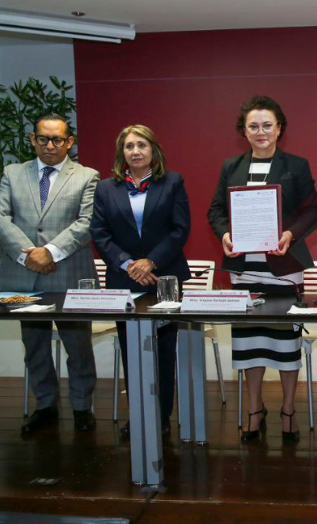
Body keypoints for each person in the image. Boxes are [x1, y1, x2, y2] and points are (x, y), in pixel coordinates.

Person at [208, 95, 317, 443]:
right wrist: (225, 234)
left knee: (285, 343)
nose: (261, 132)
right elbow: (215, 210)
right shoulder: (231, 166)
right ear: (244, 131)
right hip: (244, 269)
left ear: (279, 129)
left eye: (267, 125)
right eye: (253, 126)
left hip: (283, 268)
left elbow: (312, 211)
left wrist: (290, 234)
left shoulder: (296, 166)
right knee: (249, 343)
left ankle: (288, 410)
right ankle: (254, 410)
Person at [0, 113, 100, 433]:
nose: (50, 145)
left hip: (69, 273)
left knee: (78, 345)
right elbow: (0, 219)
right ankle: (45, 405)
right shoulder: (12, 173)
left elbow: (87, 222)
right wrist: (30, 256)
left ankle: (82, 407)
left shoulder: (87, 176)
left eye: (57, 140)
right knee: (34, 344)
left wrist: (49, 251)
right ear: (32, 139)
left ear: (69, 142)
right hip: (24, 276)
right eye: (43, 139)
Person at [90, 124, 190, 438]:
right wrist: (129, 264)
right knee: (131, 349)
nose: (135, 151)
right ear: (122, 152)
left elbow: (180, 229)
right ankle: (138, 414)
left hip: (164, 277)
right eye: (129, 146)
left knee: (164, 349)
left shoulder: (172, 181)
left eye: (141, 145)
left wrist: (151, 261)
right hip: (124, 278)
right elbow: (99, 233)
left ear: (153, 150)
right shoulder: (105, 188)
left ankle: (162, 416)